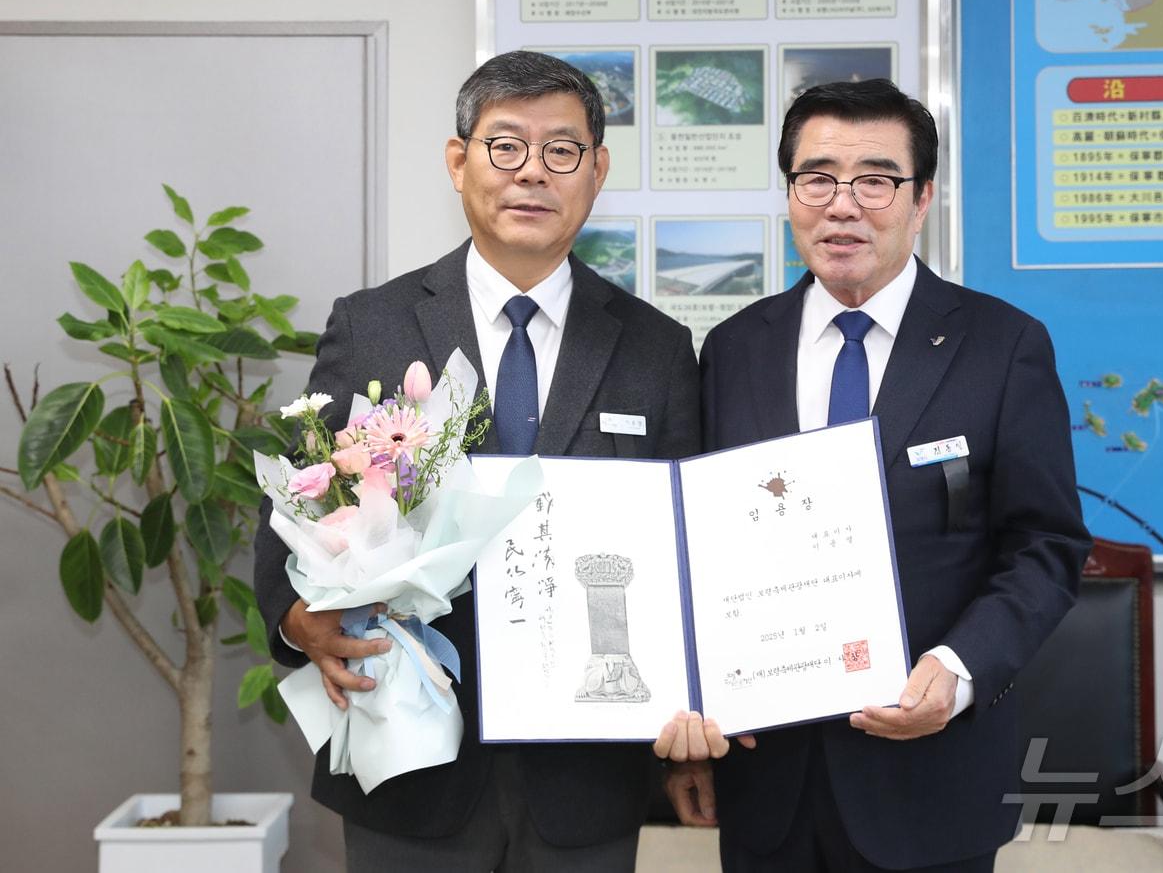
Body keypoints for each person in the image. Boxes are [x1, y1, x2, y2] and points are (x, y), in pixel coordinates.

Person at [254, 50, 701, 872]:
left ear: (597, 171)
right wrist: (297, 618)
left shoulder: (657, 349)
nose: (533, 172)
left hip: (586, 776)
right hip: (408, 757)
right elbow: (294, 504)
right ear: (459, 161)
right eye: (506, 146)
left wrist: (692, 727)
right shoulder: (374, 325)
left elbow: (685, 548)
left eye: (561, 150)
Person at [658, 78, 1091, 872]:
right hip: (767, 782)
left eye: (876, 180)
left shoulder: (1002, 345)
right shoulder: (732, 348)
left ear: (922, 197)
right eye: (816, 177)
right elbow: (694, 548)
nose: (843, 204)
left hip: (931, 776)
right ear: (790, 193)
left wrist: (957, 671)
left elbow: (1045, 545)